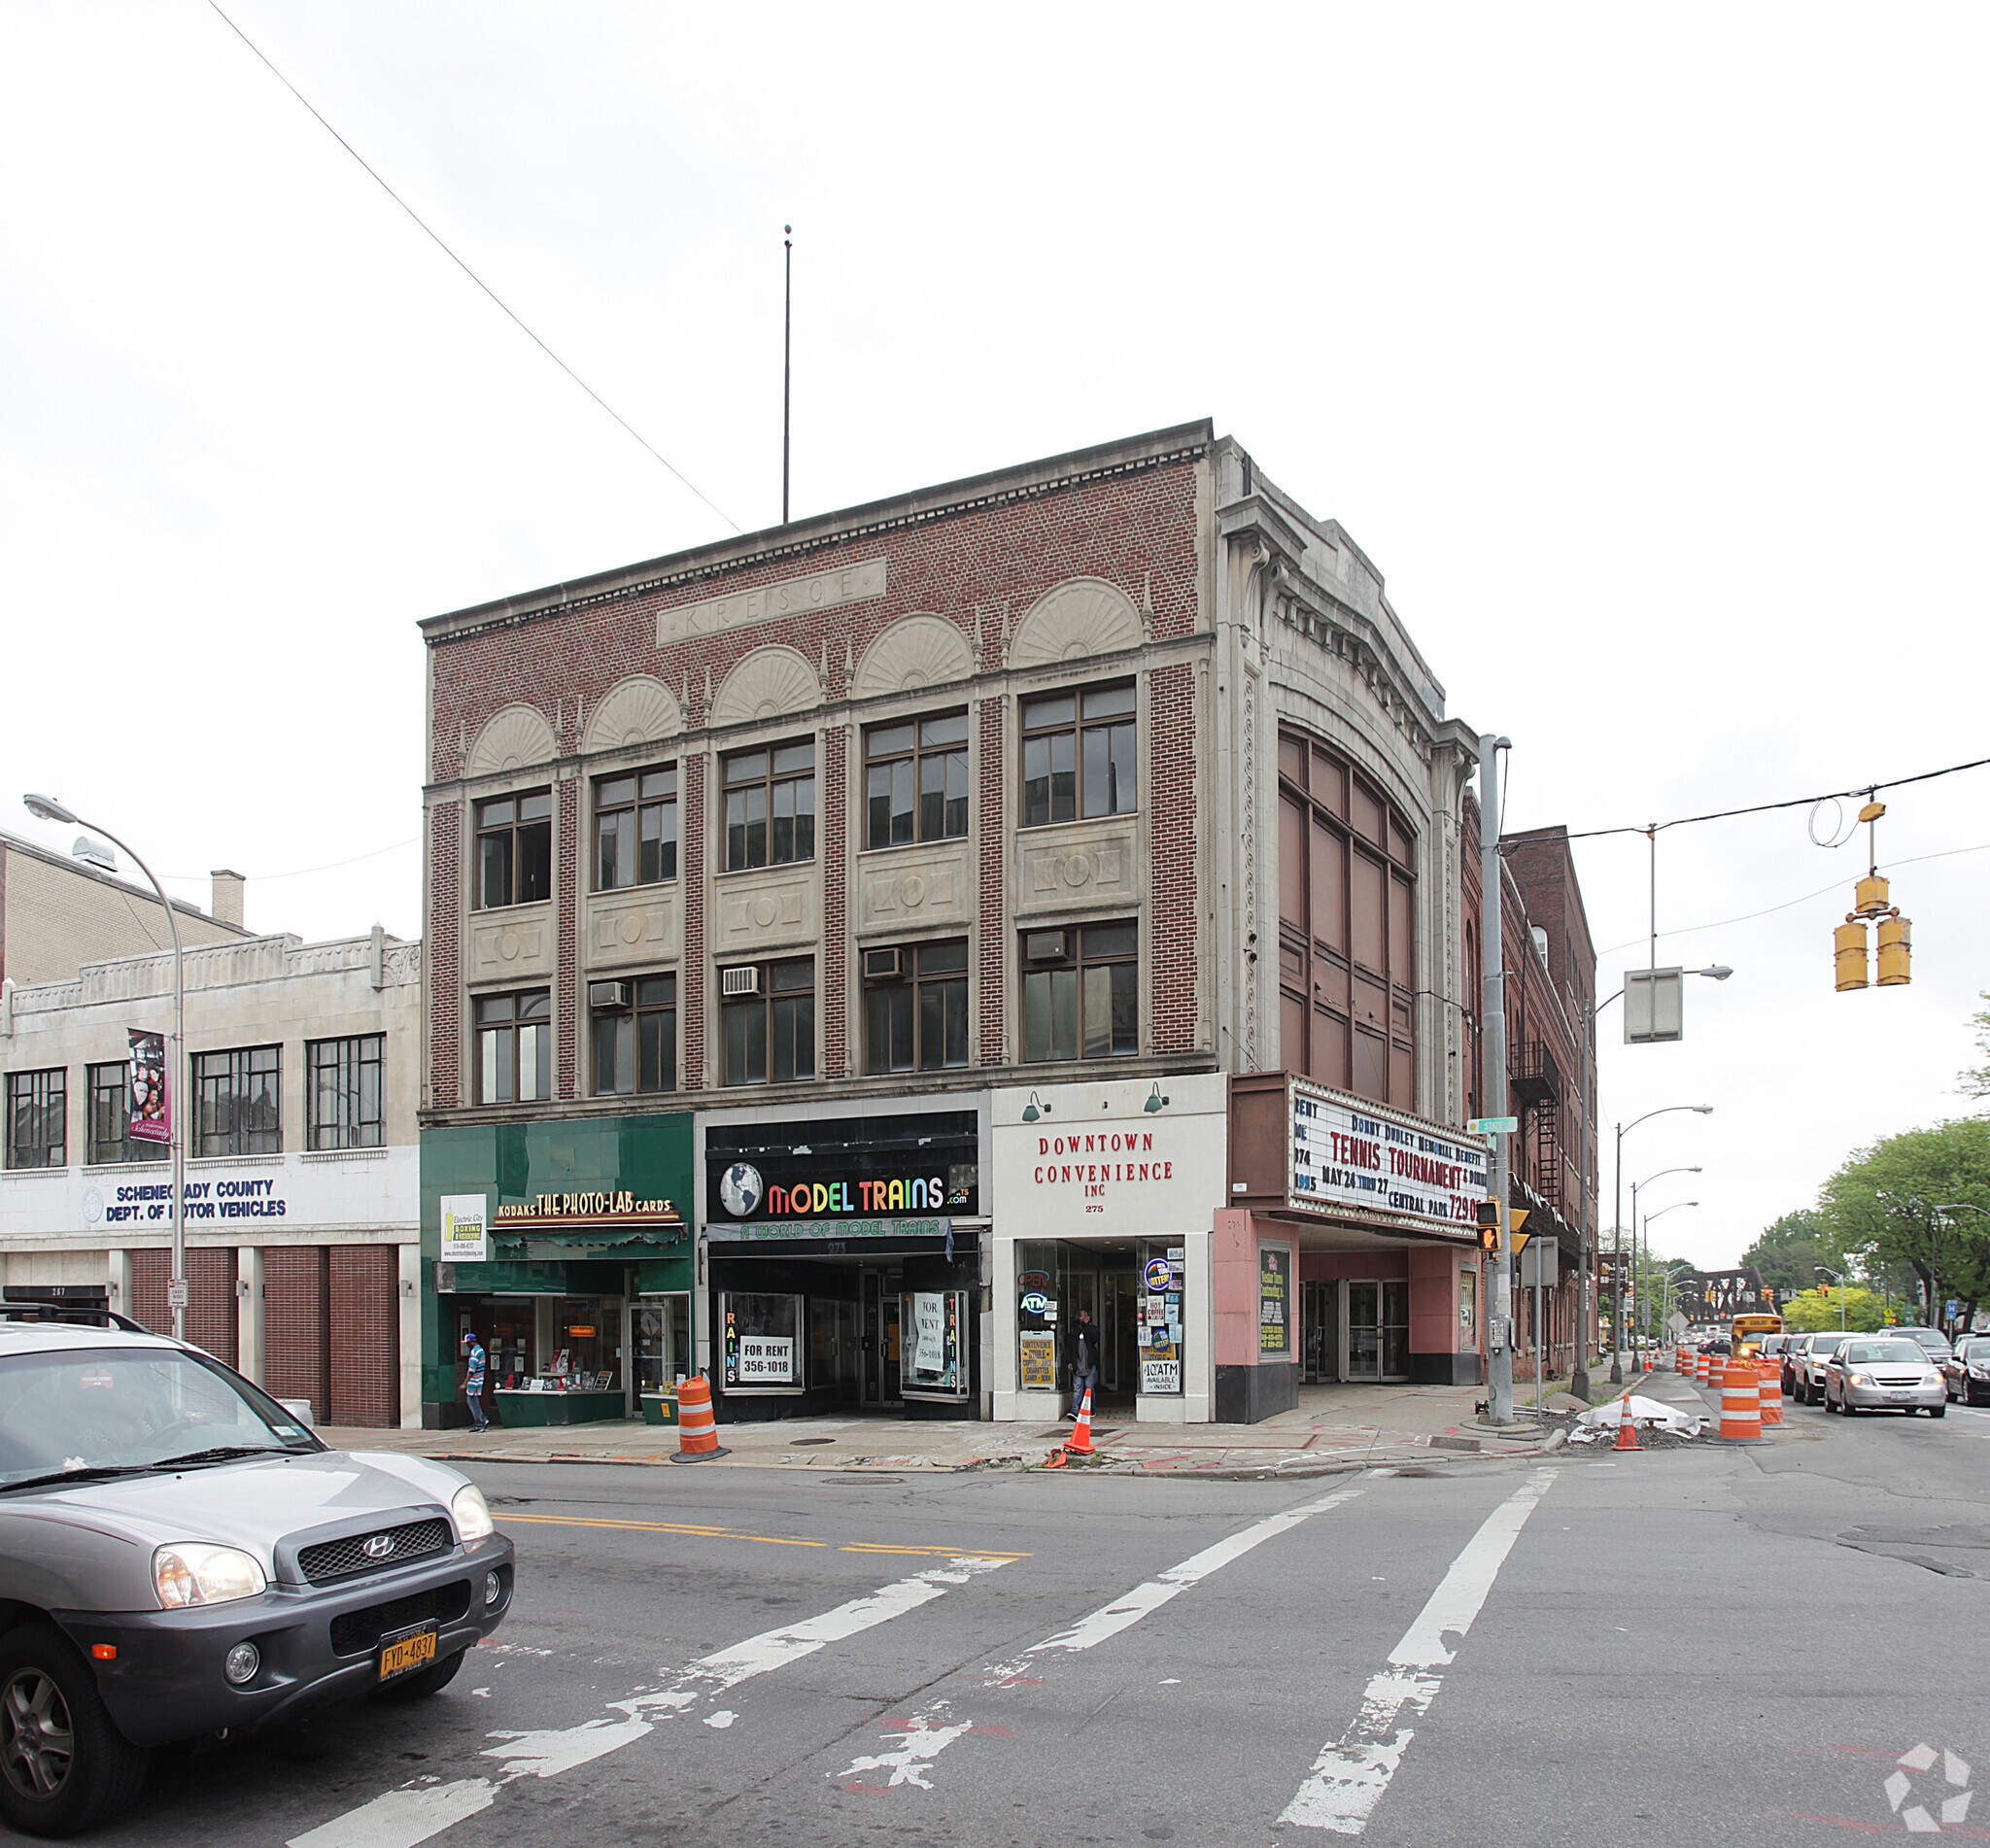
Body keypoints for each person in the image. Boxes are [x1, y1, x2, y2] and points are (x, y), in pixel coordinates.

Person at [1067, 1307, 1100, 1418]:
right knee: (1078, 1387)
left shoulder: (1092, 1328)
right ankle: (1075, 1410)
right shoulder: (1073, 1331)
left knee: (1089, 1387)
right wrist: (1069, 1362)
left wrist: (1087, 1325)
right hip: (1077, 1364)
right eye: (1082, 1315)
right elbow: (1069, 1348)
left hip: (1089, 1363)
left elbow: (1095, 1338)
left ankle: (1091, 1409)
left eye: (1086, 1315)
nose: (1084, 1317)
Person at [461, 1331, 489, 1432]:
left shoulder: (475, 1352)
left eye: (467, 1343)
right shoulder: (480, 1350)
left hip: (474, 1380)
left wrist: (465, 1383)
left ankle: (479, 1423)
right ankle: (482, 1419)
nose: (466, 1345)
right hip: (479, 1378)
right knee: (473, 1401)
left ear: (470, 1342)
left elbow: (471, 1370)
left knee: (472, 1402)